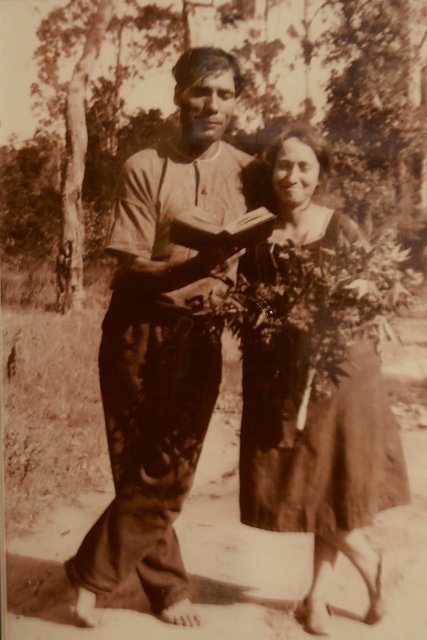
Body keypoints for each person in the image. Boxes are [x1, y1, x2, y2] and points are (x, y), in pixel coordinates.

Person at [65, 47, 253, 628]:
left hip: (199, 338)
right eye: (200, 91)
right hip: (135, 329)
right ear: (178, 95)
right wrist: (204, 262)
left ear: (238, 101)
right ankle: (168, 588)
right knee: (135, 465)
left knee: (170, 472)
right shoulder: (145, 166)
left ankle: (88, 573)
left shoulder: (252, 171)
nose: (211, 105)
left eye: (224, 94)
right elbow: (128, 272)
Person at [238, 122, 410, 636]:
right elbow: (247, 298)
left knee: (326, 478)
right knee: (309, 479)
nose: (292, 176)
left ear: (319, 173)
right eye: (284, 165)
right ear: (272, 171)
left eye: (304, 166)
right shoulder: (256, 230)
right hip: (281, 374)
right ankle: (325, 594)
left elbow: (380, 289)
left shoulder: (340, 226)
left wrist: (362, 291)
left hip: (341, 371)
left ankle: (337, 587)